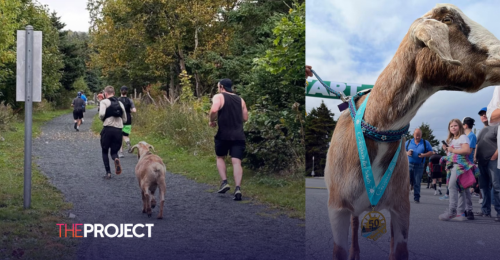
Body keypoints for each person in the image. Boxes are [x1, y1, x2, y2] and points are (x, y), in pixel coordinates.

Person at [209, 79, 248, 201]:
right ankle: (238, 188)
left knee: (220, 157)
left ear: (221, 87)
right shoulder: (240, 99)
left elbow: (214, 110)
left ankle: (225, 182)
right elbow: (245, 118)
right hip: (239, 135)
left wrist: (211, 120)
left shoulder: (219, 96)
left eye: (218, 86)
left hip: (223, 134)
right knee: (237, 162)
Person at [438, 119, 476, 221]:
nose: (453, 128)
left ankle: (452, 212)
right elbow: (451, 154)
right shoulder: (452, 139)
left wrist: (452, 150)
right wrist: (447, 150)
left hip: (460, 165)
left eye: (455, 125)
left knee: (452, 186)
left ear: (460, 127)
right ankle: (460, 214)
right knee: (461, 189)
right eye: (451, 126)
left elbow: (467, 150)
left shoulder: (463, 137)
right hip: (453, 165)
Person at [475, 107, 500, 221]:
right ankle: (485, 211)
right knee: (484, 187)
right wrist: (475, 157)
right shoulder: (482, 130)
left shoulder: (496, 127)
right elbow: (478, 145)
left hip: (493, 161)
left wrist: (494, 156)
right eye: (481, 114)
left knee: (496, 187)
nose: (483, 116)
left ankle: (499, 213)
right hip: (481, 162)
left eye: (485, 113)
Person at [99, 86, 127, 179]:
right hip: (118, 130)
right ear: (114, 93)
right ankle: (116, 159)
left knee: (104, 151)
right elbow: (125, 118)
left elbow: (102, 114)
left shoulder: (104, 102)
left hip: (108, 129)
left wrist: (103, 119)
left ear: (105, 94)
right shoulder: (120, 103)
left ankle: (108, 173)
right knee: (114, 152)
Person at [405, 128, 433, 203]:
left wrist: (424, 155)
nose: (418, 137)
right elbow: (401, 152)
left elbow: (431, 152)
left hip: (419, 165)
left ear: (421, 135)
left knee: (417, 182)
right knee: (406, 182)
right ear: (413, 135)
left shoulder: (425, 142)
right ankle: (404, 198)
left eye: (419, 135)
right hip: (408, 165)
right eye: (416, 135)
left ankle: (416, 198)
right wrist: (407, 153)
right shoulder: (408, 142)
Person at [461, 117, 477, 220]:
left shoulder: (471, 136)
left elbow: (469, 151)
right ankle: (463, 209)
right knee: (462, 188)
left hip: (467, 163)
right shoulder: (465, 136)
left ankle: (469, 210)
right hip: (462, 163)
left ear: (465, 125)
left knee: (466, 188)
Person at [117, 86, 136, 157]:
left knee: (119, 136)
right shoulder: (130, 100)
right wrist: (129, 110)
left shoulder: (117, 100)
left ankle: (121, 153)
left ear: (120, 91)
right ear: (127, 92)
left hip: (119, 119)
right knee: (125, 135)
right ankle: (128, 142)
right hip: (128, 119)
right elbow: (134, 110)